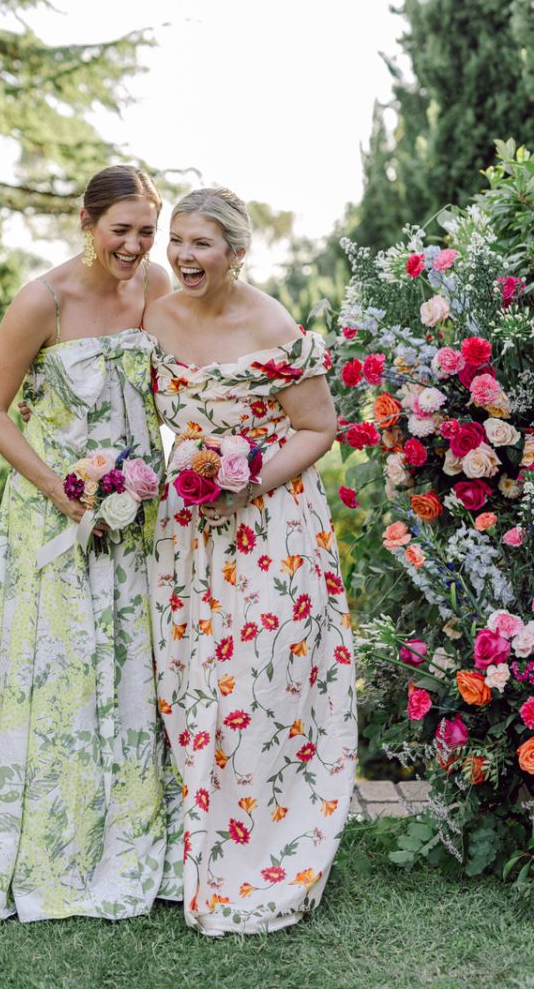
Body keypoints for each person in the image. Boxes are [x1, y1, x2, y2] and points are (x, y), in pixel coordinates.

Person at [0, 165, 181, 923]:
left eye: (144, 231)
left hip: (135, 522)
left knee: (129, 675)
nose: (133, 245)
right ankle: (42, 846)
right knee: (51, 676)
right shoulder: (44, 299)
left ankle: (132, 841)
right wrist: (59, 488)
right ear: (87, 223)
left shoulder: (157, 287)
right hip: (52, 520)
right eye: (120, 229)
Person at [143, 187, 357, 936]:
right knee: (191, 679)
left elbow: (319, 427)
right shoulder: (156, 316)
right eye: (178, 241)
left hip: (270, 525)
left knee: (261, 682)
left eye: (200, 243)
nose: (184, 256)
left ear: (236, 252)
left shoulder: (272, 323)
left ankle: (266, 845)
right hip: (185, 532)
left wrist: (245, 477)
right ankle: (193, 838)